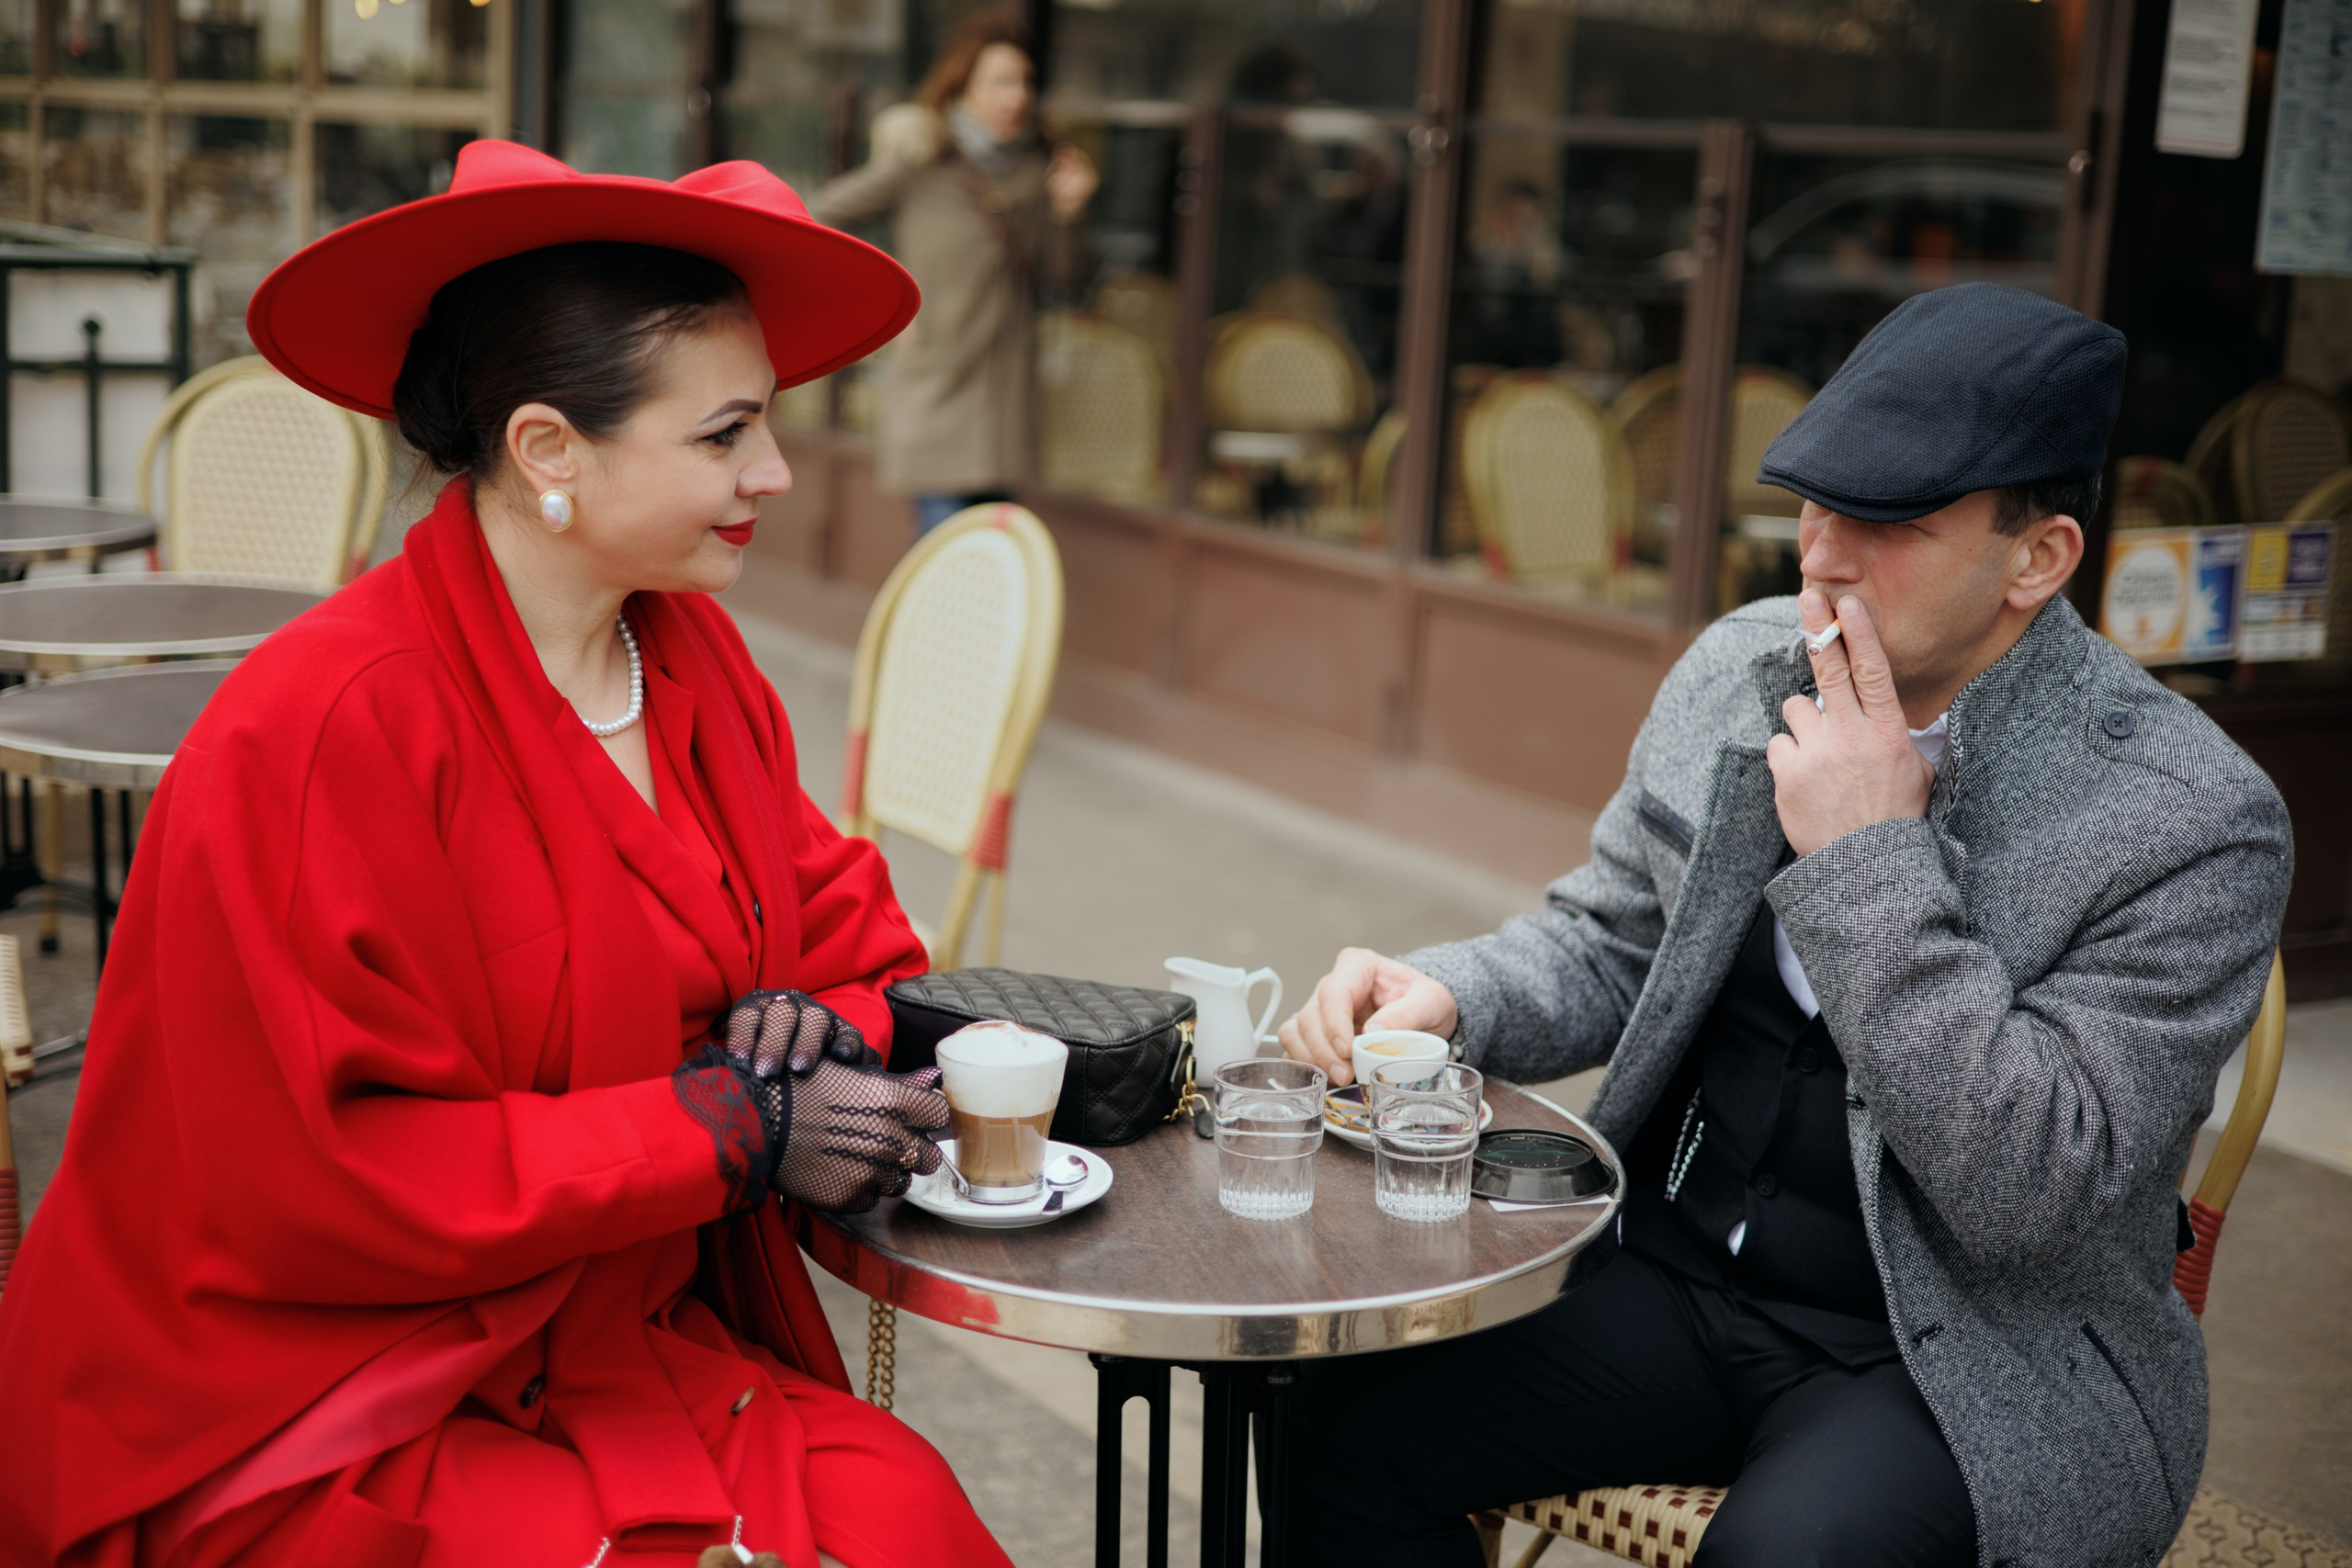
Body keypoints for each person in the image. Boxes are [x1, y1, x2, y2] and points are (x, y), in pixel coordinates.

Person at [0, 140, 1015, 1568]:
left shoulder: (696, 658)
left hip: (612, 1332)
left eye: (768, 426)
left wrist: (815, 1031)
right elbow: (327, 1172)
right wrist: (728, 1125)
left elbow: (863, 945)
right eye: (724, 435)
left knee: (912, 1517)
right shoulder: (323, 724)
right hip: (318, 1383)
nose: (774, 472)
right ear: (548, 451)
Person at [1279, 283, 2292, 1568]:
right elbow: (1611, 938)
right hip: (1672, 1269)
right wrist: (1447, 995)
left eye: (1891, 522)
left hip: (1972, 1358)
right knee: (1334, 1402)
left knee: (1790, 1554)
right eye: (1817, 503)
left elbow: (2030, 1189)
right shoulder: (1740, 665)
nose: (1822, 556)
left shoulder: (2189, 816)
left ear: (2036, 558)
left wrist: (1869, 852)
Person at [808, 12, 1097, 538]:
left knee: (993, 558)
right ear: (963, 87)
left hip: (1005, 405)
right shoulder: (922, 157)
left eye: (1025, 82)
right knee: (945, 554)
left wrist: (1068, 213)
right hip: (937, 391)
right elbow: (823, 215)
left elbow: (1066, 278)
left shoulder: (1039, 167)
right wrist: (884, 304)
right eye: (1000, 82)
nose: (1017, 96)